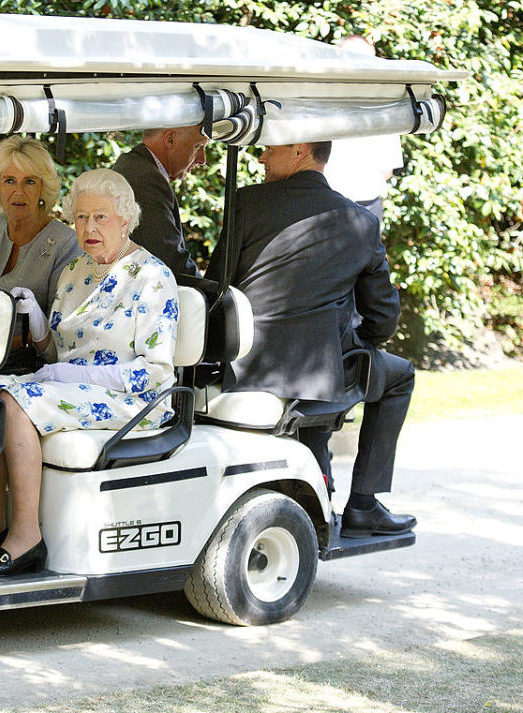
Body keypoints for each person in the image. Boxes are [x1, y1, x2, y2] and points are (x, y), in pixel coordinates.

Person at [0, 168, 179, 577]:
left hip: (133, 400)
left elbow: (156, 374)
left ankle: (26, 535)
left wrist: (74, 377)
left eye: (100, 217)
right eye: (81, 217)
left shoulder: (153, 277)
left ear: (126, 219)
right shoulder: (75, 272)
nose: (88, 228)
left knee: (16, 400)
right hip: (73, 390)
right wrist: (36, 324)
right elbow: (56, 350)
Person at [204, 141, 416, 538]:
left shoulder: (248, 202)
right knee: (398, 376)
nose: (261, 157)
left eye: (269, 149)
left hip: (243, 363)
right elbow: (384, 319)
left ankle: (324, 485)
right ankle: (364, 504)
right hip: (313, 372)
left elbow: (218, 288)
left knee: (342, 370)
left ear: (300, 150)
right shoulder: (361, 221)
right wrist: (355, 343)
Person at [0, 136, 80, 316]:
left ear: (43, 188)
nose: (18, 192)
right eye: (9, 180)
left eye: (30, 181)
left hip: (24, 344)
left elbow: (58, 327)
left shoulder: (66, 243)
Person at [324, 36, 405, 224]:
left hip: (367, 207)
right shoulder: (322, 101)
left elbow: (387, 168)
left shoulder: (385, 106)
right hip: (326, 206)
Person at [111, 125, 208, 277]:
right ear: (170, 139)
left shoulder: (134, 166)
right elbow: (168, 261)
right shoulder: (145, 178)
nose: (202, 159)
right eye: (198, 146)